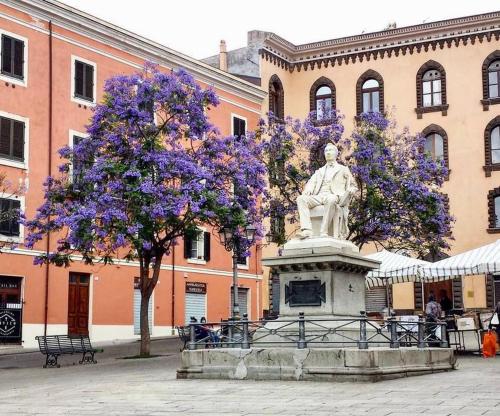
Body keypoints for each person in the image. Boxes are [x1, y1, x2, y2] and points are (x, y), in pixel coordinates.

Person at [297, 143, 357, 239]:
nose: (328, 153)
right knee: (301, 199)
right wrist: (308, 190)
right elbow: (311, 182)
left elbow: (353, 185)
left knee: (331, 199)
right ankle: (307, 230)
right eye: (326, 151)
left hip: (334, 195)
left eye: (330, 150)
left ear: (336, 154)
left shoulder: (343, 169)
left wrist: (350, 190)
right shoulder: (320, 171)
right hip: (319, 196)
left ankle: (323, 231)